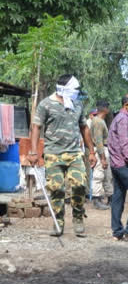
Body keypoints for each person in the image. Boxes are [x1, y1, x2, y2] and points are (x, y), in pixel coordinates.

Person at [27, 74, 97, 237]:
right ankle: (58, 221)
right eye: (75, 89)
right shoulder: (46, 104)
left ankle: (78, 217)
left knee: (80, 185)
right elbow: (36, 127)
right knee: (57, 188)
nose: (77, 93)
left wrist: (91, 151)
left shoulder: (77, 104)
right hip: (53, 153)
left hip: (74, 153)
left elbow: (84, 128)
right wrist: (33, 151)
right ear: (64, 89)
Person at [107, 93, 128, 241]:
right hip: (124, 164)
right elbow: (124, 144)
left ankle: (117, 231)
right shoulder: (123, 120)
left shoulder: (121, 118)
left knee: (118, 197)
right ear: (126, 105)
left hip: (117, 164)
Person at [89, 100, 112, 210]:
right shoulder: (98, 121)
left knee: (107, 176)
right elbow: (98, 141)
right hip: (100, 150)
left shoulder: (100, 121)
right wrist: (102, 158)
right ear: (104, 109)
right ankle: (97, 199)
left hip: (103, 149)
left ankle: (110, 198)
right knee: (98, 175)